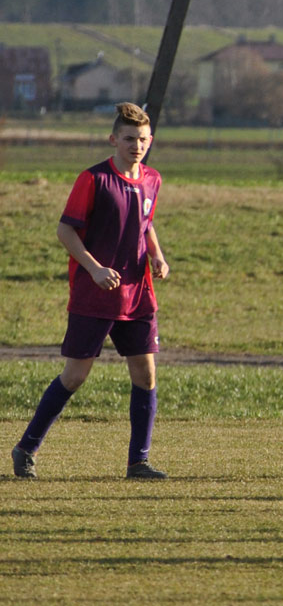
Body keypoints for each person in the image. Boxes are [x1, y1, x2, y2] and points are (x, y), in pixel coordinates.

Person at [13, 102, 170, 480]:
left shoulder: (152, 179)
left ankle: (138, 462)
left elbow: (145, 223)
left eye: (143, 140)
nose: (137, 145)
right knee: (75, 376)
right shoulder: (94, 179)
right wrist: (95, 268)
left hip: (137, 293)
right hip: (94, 292)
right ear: (114, 139)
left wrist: (158, 257)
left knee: (145, 376)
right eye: (130, 139)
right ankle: (26, 448)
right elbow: (65, 230)